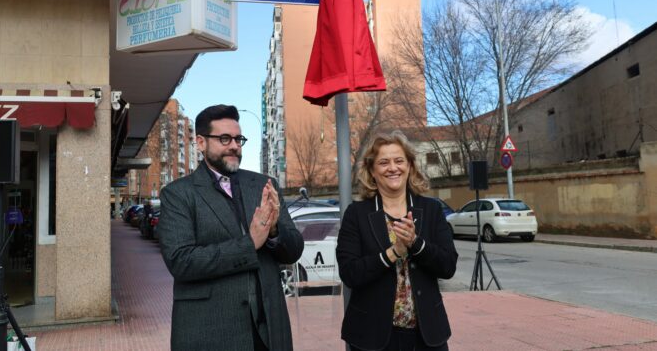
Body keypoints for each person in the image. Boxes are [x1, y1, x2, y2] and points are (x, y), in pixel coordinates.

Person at [158, 105, 304, 351]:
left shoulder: (264, 185)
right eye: (224, 139)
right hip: (211, 331)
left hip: (269, 330)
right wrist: (250, 243)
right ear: (201, 143)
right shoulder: (178, 194)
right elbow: (181, 261)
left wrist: (274, 231)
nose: (234, 145)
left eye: (238, 139)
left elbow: (294, 250)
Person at [336, 131, 458, 351]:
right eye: (384, 162)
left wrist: (416, 244)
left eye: (399, 160)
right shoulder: (357, 214)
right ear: (372, 171)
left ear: (410, 166)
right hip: (372, 335)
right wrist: (392, 253)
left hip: (427, 335)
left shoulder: (431, 209)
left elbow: (448, 266)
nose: (393, 168)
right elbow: (349, 273)